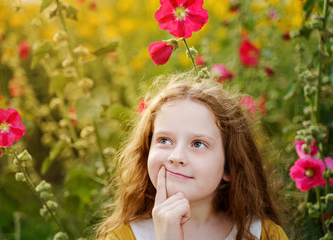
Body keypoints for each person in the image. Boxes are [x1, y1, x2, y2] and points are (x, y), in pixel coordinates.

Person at [96, 72, 288, 240]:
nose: (176, 156)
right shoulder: (122, 236)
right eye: (164, 140)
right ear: (147, 151)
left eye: (198, 144)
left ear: (229, 166)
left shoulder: (264, 234)